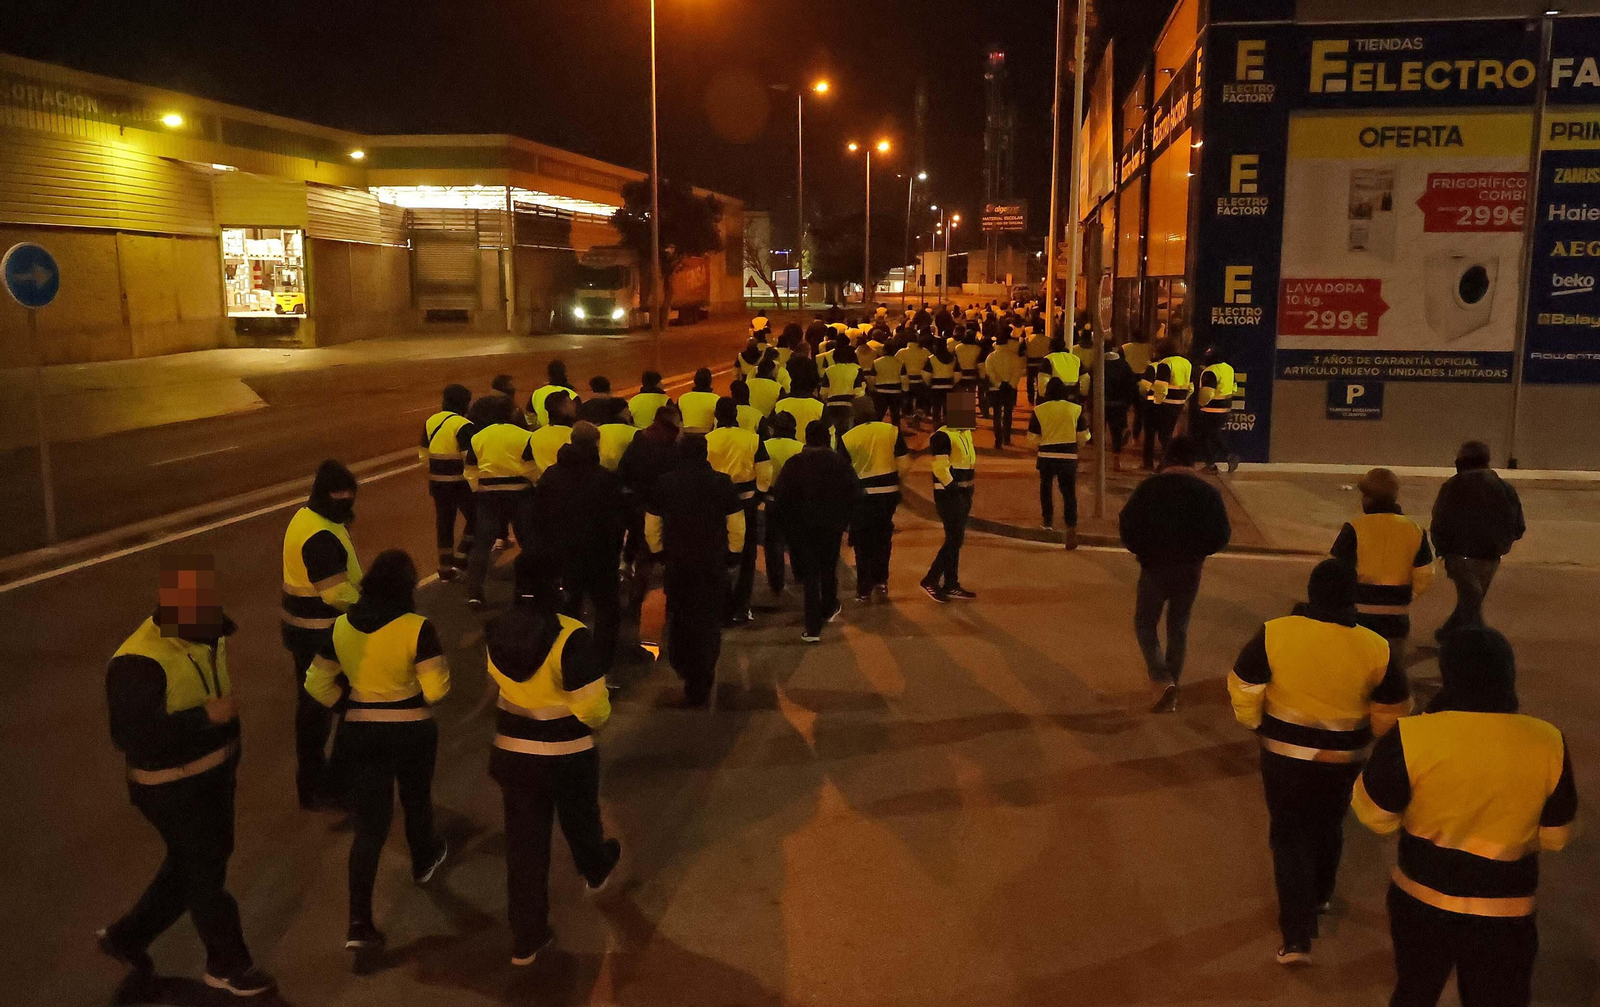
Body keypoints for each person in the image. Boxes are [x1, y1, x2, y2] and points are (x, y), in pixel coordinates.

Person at [1352, 627, 1576, 1007]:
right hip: (1506, 910)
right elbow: (1556, 837)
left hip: (1421, 898)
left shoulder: (1412, 735)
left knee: (1415, 991)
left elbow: (1374, 815)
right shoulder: (1547, 741)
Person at [99, 556, 273, 997]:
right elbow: (132, 736)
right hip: (170, 787)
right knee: (205, 871)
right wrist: (204, 717)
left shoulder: (203, 632)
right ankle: (228, 964)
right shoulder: (138, 662)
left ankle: (127, 937)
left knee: (192, 866)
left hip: (210, 778)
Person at [1228, 560, 1412, 966]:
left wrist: (1253, 720)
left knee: (1288, 835)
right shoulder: (1374, 646)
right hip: (1343, 757)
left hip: (1283, 753)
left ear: (1312, 593)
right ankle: (1322, 895)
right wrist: (1371, 732)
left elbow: (1244, 682)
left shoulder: (1276, 631)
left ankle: (1296, 936)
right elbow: (1393, 707)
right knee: (1328, 825)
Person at [303, 549, 450, 952]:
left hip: (361, 733)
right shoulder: (418, 629)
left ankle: (358, 921)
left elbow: (315, 684)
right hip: (412, 731)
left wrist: (349, 704)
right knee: (416, 799)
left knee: (370, 826)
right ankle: (424, 859)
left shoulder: (340, 629)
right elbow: (437, 690)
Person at [486, 557, 625, 966]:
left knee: (525, 845)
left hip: (512, 752)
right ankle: (595, 869)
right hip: (566, 754)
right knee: (580, 818)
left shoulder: (496, 628)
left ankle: (527, 939)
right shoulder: (571, 636)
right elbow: (594, 711)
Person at [1118, 436, 1231, 712]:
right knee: (1178, 627)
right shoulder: (1207, 494)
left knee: (1145, 623)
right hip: (1190, 569)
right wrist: (1200, 553)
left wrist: (1142, 552)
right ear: (1193, 461)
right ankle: (1173, 690)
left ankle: (1161, 678)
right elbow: (1222, 534)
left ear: (1168, 458)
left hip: (1155, 567)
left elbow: (1127, 525)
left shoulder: (1149, 489)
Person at [280, 459, 362, 810]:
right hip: (320, 633)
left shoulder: (309, 516)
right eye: (342, 500)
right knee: (339, 706)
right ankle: (324, 785)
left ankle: (316, 783)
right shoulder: (320, 537)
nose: (347, 506)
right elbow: (336, 593)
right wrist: (371, 609)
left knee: (315, 706)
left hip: (304, 630)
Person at [645, 435, 746, 707]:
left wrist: (658, 553)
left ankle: (684, 666)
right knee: (709, 619)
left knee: (679, 616)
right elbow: (736, 523)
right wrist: (733, 554)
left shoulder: (665, 483)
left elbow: (652, 524)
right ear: (705, 453)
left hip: (678, 562)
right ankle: (703, 673)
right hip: (711, 562)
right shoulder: (722, 483)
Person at [535, 423, 628, 676]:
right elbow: (617, 521)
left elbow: (538, 516)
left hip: (562, 556)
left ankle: (568, 657)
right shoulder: (605, 478)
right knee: (607, 610)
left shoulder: (551, 475)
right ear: (596, 444)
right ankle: (601, 663)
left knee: (567, 609)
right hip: (599, 557)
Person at [1330, 468, 1434, 658]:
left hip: (1359, 614)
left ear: (1368, 499)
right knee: (1392, 670)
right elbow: (1425, 573)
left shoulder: (1354, 528)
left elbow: (1335, 571)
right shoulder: (1414, 530)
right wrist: (1407, 595)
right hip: (1396, 616)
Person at [771, 420, 860, 641]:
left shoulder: (794, 463)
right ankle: (829, 607)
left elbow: (780, 495)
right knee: (829, 568)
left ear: (806, 438)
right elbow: (856, 492)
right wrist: (845, 520)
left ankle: (812, 628)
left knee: (810, 576)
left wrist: (789, 523)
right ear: (827, 438)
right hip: (831, 526)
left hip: (802, 527)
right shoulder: (838, 462)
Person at [1430, 441, 1525, 638]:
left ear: (1461, 462)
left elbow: (1440, 520)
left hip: (1460, 555)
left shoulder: (1452, 486)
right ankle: (1450, 633)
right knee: (1473, 599)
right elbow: (1518, 526)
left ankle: (1473, 641)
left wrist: (1443, 549)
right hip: (1491, 555)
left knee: (1471, 601)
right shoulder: (1505, 488)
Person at [464, 396, 537, 608]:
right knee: (529, 542)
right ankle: (530, 588)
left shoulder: (478, 437)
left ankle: (474, 593)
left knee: (482, 544)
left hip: (489, 495)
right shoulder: (525, 436)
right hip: (520, 494)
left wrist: (480, 488)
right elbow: (532, 467)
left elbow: (470, 471)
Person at [708, 398, 771, 623]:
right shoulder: (753, 439)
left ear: (716, 415)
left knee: (719, 552)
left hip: (715, 505)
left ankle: (722, 604)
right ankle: (741, 606)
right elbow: (764, 473)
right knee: (747, 555)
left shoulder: (707, 440)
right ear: (735, 414)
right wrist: (758, 497)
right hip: (745, 502)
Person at [840, 396, 909, 602]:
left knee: (862, 542)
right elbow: (904, 465)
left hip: (862, 496)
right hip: (888, 494)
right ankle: (881, 580)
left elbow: (843, 471)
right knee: (883, 537)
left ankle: (864, 588)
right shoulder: (891, 431)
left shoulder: (848, 437)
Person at [617, 403, 684, 610]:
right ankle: (673, 603)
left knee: (644, 557)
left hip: (640, 506)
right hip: (667, 509)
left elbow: (623, 471)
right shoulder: (674, 447)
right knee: (672, 557)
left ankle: (635, 603)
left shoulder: (639, 440)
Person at [922, 393, 978, 603]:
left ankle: (951, 584)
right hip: (950, 494)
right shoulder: (942, 436)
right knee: (955, 539)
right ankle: (931, 579)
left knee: (955, 539)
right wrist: (952, 488)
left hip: (964, 492)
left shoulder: (964, 434)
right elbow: (940, 467)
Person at [420, 384, 477, 582]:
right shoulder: (463, 425)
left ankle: (444, 568)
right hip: (460, 483)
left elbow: (423, 454)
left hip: (437, 483)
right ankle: (462, 557)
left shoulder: (431, 421)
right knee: (476, 517)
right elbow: (468, 457)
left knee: (444, 523)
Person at [1029, 377, 1091, 550]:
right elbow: (1084, 435)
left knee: (1046, 488)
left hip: (1046, 455)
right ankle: (1070, 526)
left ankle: (1047, 521)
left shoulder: (1039, 410)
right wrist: (1075, 446)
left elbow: (1032, 438)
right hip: (1068, 456)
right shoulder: (1075, 409)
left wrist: (1041, 445)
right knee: (1069, 492)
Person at [761, 412, 805, 596]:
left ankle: (776, 582)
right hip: (795, 502)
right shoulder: (800, 447)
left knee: (773, 544)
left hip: (772, 500)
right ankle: (800, 574)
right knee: (798, 540)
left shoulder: (764, 446)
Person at [1142, 340, 1191, 470]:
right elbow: (1190, 386)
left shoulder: (1165, 363)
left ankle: (1165, 463)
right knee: (1168, 433)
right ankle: (1166, 462)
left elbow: (1161, 387)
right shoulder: (1186, 363)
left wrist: (1157, 402)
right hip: (1179, 403)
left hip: (1165, 403)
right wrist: (1184, 399)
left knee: (1162, 435)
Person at [1195, 346, 1239, 473]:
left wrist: (1200, 404)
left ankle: (1212, 465)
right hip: (1225, 410)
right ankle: (1227, 457)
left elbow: (1207, 394)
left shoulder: (1210, 371)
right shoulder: (1228, 368)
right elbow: (1234, 387)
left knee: (1204, 437)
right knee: (1213, 435)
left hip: (1211, 410)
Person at [985, 329, 1026, 448]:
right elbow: (1017, 371)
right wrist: (1010, 384)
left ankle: (998, 440)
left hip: (995, 389)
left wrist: (998, 384)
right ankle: (1006, 437)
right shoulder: (1013, 357)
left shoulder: (991, 357)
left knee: (997, 415)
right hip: (1010, 389)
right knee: (1008, 414)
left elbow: (990, 372)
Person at [528, 391, 576, 475]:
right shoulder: (573, 435)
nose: (574, 405)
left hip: (544, 483)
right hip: (568, 483)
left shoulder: (536, 435)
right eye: (570, 402)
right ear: (563, 409)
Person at [822, 340, 865, 429]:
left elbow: (823, 392)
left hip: (831, 405)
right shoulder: (855, 370)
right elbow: (858, 392)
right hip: (848, 405)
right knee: (846, 433)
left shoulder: (829, 371)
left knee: (833, 433)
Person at [529, 359, 578, 428]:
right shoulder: (571, 394)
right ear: (565, 374)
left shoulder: (537, 393)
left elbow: (530, 416)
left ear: (548, 375)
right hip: (567, 433)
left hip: (543, 432)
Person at [871, 338, 908, 425]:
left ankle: (876, 433)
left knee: (878, 416)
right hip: (895, 392)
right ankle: (895, 434)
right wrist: (905, 391)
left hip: (880, 392)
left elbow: (872, 378)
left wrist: (873, 389)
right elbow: (904, 379)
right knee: (895, 416)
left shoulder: (876, 362)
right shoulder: (900, 362)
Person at [923, 339, 958, 427]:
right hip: (949, 385)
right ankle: (948, 429)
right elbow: (958, 373)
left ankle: (937, 428)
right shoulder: (953, 358)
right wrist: (953, 382)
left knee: (936, 409)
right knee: (948, 410)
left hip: (936, 386)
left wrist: (928, 384)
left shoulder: (932, 358)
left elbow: (926, 374)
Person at [897, 334, 932, 421]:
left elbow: (895, 363)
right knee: (920, 401)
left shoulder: (901, 352)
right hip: (921, 381)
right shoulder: (925, 351)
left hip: (906, 381)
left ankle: (909, 415)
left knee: (907, 401)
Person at [678, 368, 720, 435]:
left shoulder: (682, 398)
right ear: (710, 381)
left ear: (695, 381)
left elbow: (677, 422)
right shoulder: (716, 399)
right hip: (707, 438)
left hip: (686, 438)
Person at [1024, 325, 1051, 406]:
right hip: (1043, 362)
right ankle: (1040, 398)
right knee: (1041, 382)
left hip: (1031, 363)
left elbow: (1024, 351)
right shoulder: (1047, 339)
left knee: (1030, 382)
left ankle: (1031, 399)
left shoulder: (1027, 339)